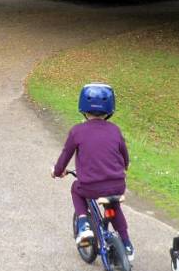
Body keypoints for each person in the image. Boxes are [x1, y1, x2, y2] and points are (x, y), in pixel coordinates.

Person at [52, 83, 133, 261]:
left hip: (90, 187)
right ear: (110, 109)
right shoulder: (115, 130)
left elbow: (65, 156)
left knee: (76, 188)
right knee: (113, 207)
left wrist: (58, 172)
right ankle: (127, 244)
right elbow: (124, 156)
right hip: (117, 185)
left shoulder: (77, 131)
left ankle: (83, 224)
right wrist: (124, 166)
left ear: (83, 107)